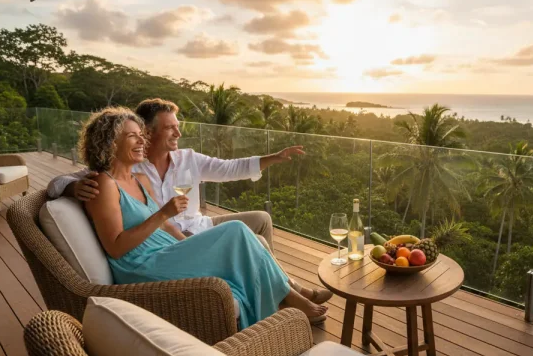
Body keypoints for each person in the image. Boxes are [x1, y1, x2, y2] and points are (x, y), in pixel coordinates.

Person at [47, 98, 332, 304]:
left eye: (178, 126)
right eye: (170, 128)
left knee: (261, 220)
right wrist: (74, 187)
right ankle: (290, 294)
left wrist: (274, 157)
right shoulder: (127, 167)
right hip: (165, 241)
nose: (179, 134)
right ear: (150, 132)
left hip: (194, 229)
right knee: (251, 240)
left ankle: (283, 288)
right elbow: (57, 183)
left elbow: (230, 168)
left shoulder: (187, 159)